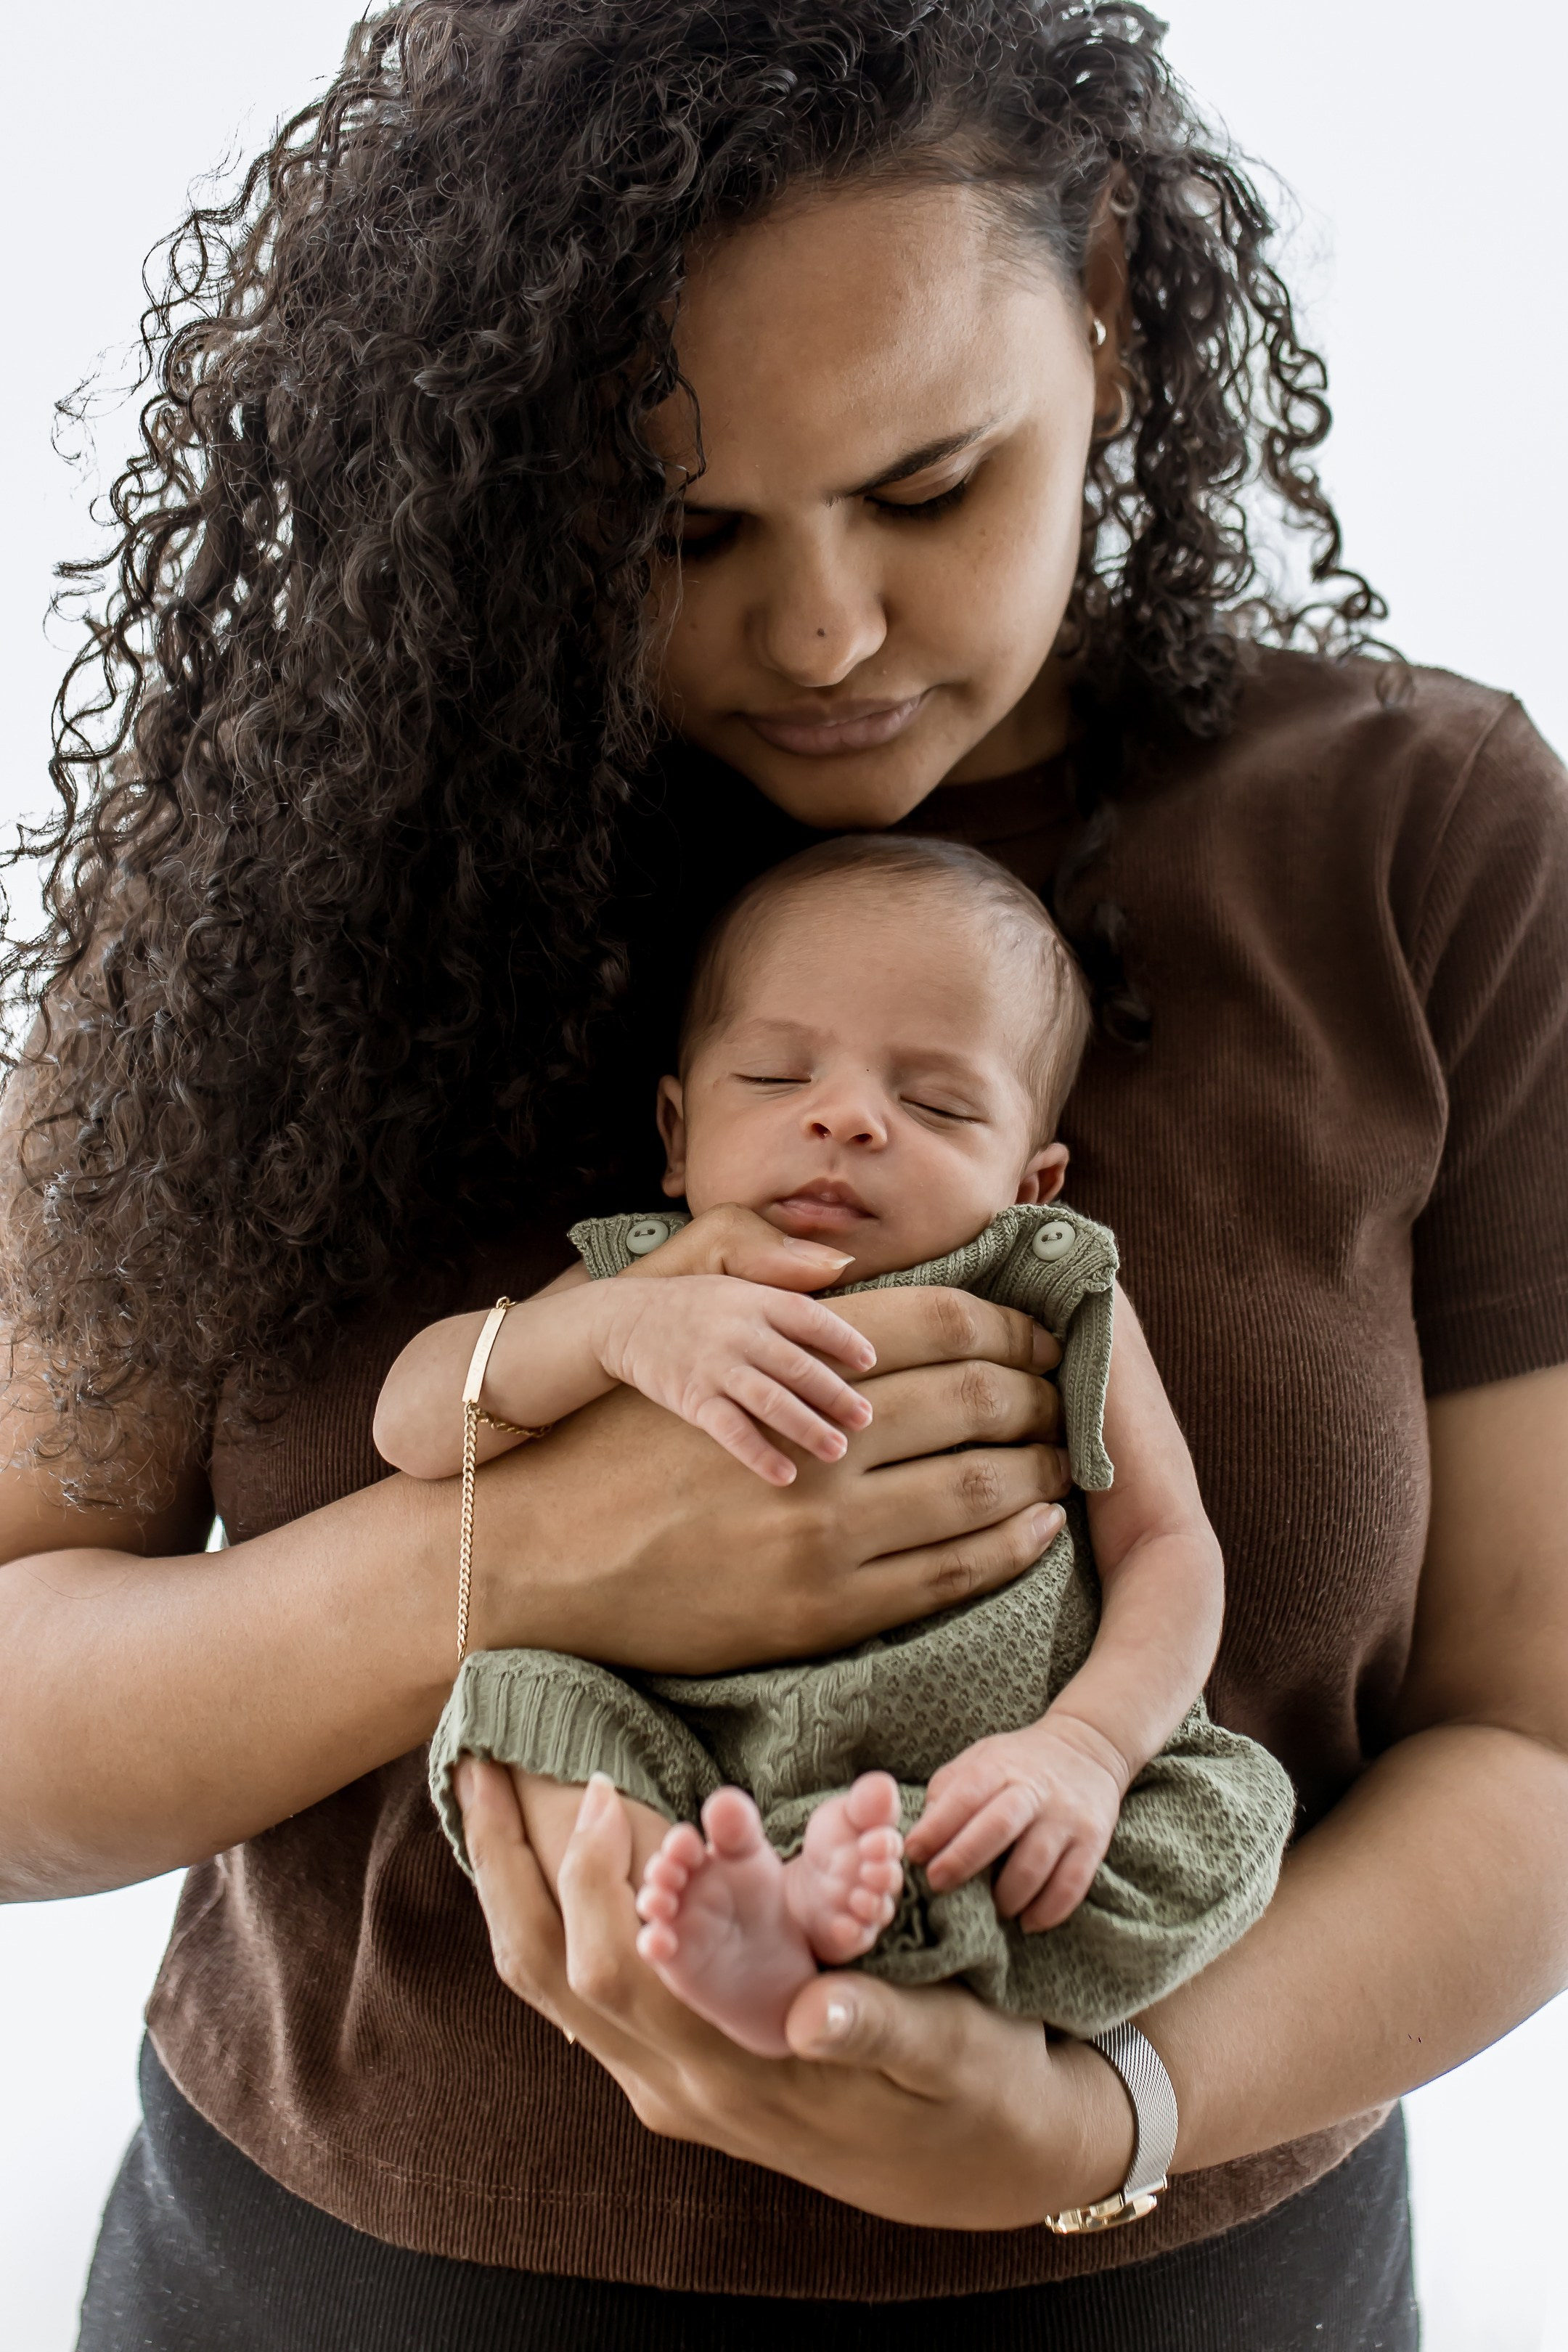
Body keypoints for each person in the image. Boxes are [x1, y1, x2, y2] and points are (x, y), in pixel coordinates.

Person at [1, 3, 1564, 2347]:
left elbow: (1536, 1740)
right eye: (689, 528)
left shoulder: (1421, 836)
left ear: (1106, 304)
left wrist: (1104, 2112)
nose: (825, 631)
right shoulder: (285, 864)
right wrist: (513, 1554)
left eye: (929, 489)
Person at [384, 833, 1294, 2059]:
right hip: (698, 1762)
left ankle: (850, 1923)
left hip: (987, 1782)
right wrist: (609, 1330)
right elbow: (411, 1423)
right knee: (508, 1702)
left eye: (937, 1105)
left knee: (1232, 1807)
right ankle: (717, 1915)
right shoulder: (650, 1277)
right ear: (677, 1133)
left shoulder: (1051, 1285)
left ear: (1034, 1185)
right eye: (774, 1077)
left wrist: (1085, 1748)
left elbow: (1169, 1546)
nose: (848, 1118)